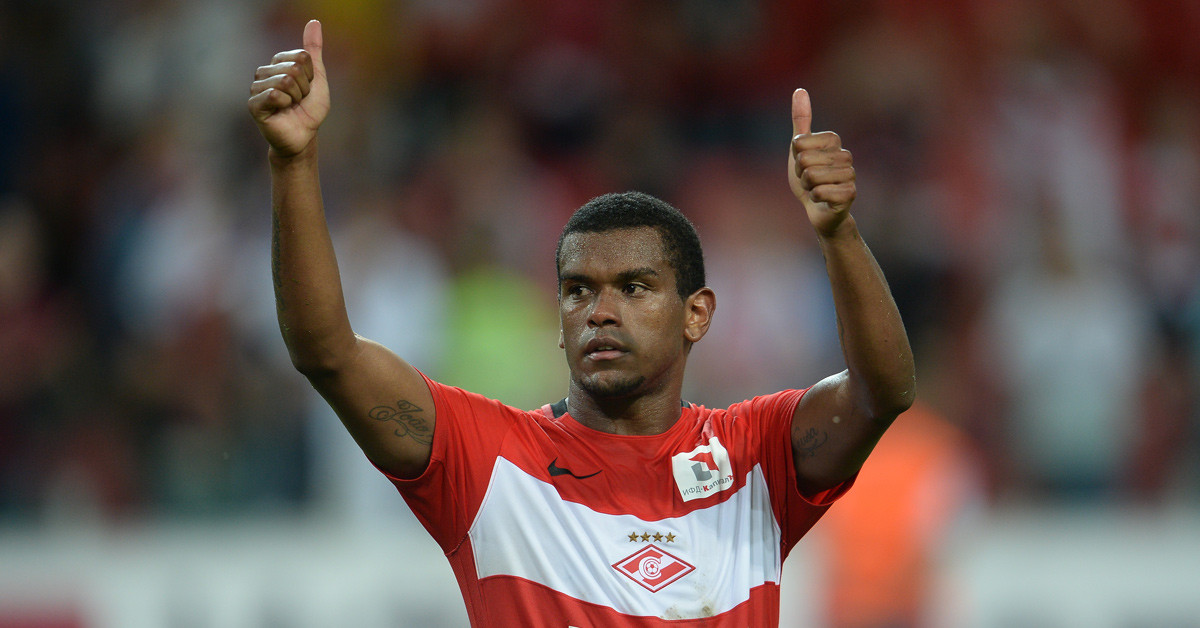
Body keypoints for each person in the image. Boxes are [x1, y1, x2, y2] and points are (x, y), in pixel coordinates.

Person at [248, 20, 915, 627]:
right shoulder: (487, 459)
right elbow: (327, 352)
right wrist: (292, 161)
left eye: (634, 288)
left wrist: (838, 232)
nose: (600, 311)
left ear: (696, 314)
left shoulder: (753, 455)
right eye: (577, 291)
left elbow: (882, 391)